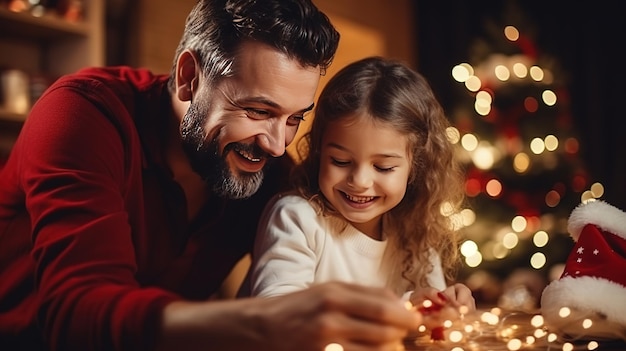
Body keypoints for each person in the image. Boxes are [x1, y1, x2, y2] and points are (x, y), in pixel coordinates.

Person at [0, 1, 424, 351]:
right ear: (189, 78)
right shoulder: (82, 114)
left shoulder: (267, 170)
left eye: (295, 118)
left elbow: (343, 240)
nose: (277, 145)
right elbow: (76, 314)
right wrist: (264, 322)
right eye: (258, 111)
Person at [247, 57, 475, 314]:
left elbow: (428, 329)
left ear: (416, 165)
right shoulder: (297, 218)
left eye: (383, 167)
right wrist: (402, 308)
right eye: (340, 161)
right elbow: (277, 318)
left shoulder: (415, 232)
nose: (360, 181)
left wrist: (444, 308)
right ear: (319, 150)